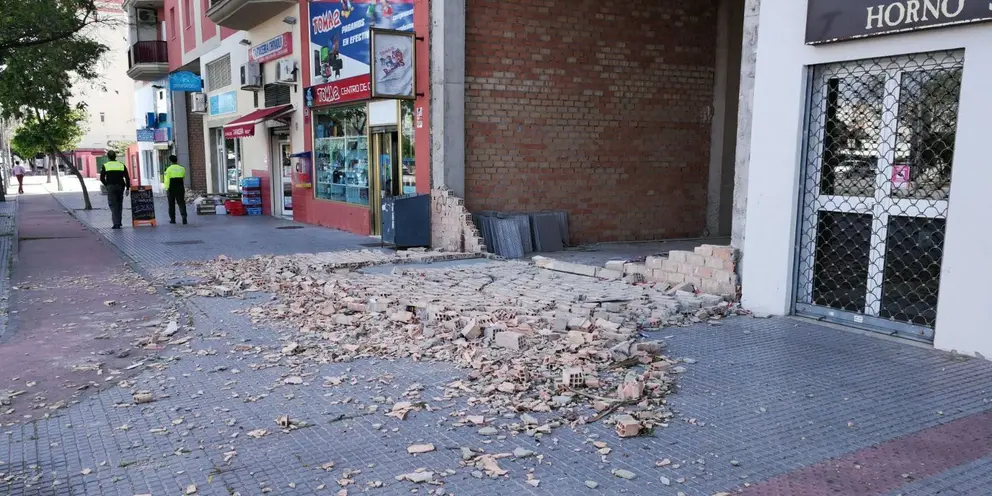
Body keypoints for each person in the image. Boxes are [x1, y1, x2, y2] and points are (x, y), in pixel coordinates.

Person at [100, 151, 130, 229]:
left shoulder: (105, 165)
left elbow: (102, 178)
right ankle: (119, 222)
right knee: (119, 204)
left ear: (108, 157)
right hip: (120, 187)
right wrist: (127, 188)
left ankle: (116, 224)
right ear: (115, 156)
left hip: (111, 187)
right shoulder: (121, 165)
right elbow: (127, 177)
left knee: (113, 205)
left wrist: (107, 185)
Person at [162, 155, 188, 225]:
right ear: (177, 160)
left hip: (171, 188)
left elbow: (167, 180)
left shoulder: (168, 169)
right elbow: (183, 177)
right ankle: (184, 218)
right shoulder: (182, 168)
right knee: (181, 203)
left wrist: (166, 188)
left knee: (171, 204)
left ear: (170, 161)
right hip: (180, 187)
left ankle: (173, 219)